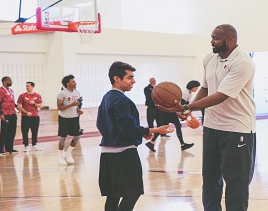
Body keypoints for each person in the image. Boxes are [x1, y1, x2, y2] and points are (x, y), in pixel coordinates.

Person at [157, 24, 256, 211]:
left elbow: (221, 95)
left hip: (237, 129)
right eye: (211, 37)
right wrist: (188, 110)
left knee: (236, 183)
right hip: (212, 127)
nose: (212, 41)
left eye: (216, 38)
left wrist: (187, 106)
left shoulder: (243, 62)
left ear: (230, 40)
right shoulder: (209, 58)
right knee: (210, 179)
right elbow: (205, 87)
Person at [97, 61, 174, 211]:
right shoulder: (121, 100)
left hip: (107, 154)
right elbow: (127, 129)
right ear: (116, 79)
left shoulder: (107, 97)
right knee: (132, 193)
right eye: (130, 77)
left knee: (113, 195)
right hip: (124, 154)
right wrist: (155, 130)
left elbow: (102, 125)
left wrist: (140, 132)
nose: (134, 81)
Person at [56, 74, 83, 165]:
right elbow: (59, 107)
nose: (75, 83)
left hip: (74, 118)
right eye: (73, 81)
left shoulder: (77, 93)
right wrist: (71, 105)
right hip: (64, 118)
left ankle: (68, 153)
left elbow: (77, 105)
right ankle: (60, 156)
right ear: (68, 83)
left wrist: (79, 110)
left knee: (77, 136)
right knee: (63, 137)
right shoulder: (62, 93)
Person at [17, 82, 43, 152]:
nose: (27, 87)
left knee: (34, 131)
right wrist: (26, 112)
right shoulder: (22, 95)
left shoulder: (37, 95)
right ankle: (26, 145)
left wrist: (34, 103)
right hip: (25, 116)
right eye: (26, 86)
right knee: (25, 131)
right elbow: (19, 106)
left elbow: (40, 105)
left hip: (35, 116)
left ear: (32, 87)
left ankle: (34, 145)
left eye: (28, 86)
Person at [0, 76, 18, 155]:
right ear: (5, 81)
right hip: (5, 114)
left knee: (12, 131)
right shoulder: (0, 91)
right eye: (9, 80)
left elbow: (11, 101)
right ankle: (0, 150)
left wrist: (16, 106)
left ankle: (9, 148)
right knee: (4, 132)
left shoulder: (10, 90)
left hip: (12, 114)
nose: (11, 82)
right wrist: (0, 114)